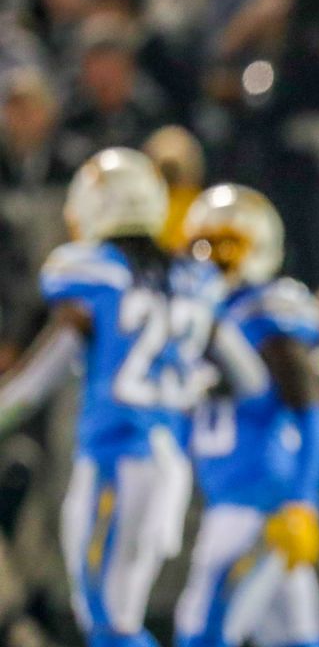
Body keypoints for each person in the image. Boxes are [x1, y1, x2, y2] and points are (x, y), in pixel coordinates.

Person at [0, 147, 222, 647]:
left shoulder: (91, 275)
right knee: (115, 612)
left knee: (107, 619)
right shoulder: (191, 278)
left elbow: (36, 377)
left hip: (118, 460)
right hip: (168, 461)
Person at [174, 184, 319, 647]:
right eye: (203, 245)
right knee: (294, 638)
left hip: (261, 506)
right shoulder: (202, 316)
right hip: (230, 499)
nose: (213, 259)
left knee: (202, 633)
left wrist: (303, 501)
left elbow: (313, 413)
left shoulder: (267, 310)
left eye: (227, 246)